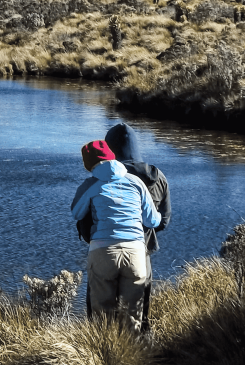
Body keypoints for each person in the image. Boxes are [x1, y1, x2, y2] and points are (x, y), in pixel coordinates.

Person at [70, 140, 160, 332]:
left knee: (102, 317)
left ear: (89, 164)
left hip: (103, 252)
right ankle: (132, 356)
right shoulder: (136, 182)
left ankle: (104, 355)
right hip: (135, 253)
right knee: (133, 317)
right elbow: (153, 221)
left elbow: (77, 213)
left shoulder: (90, 184)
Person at [104, 122, 171, 333]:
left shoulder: (104, 177)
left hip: (105, 251)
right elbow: (164, 221)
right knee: (140, 315)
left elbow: (87, 221)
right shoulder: (157, 177)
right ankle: (141, 354)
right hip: (142, 253)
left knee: (102, 315)